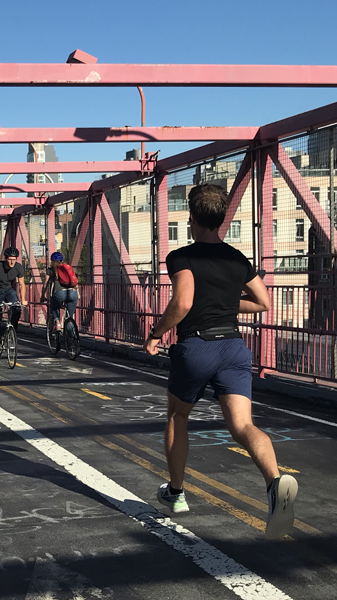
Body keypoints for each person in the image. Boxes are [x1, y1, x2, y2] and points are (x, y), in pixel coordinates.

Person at [143, 184, 297, 539]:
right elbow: (262, 302)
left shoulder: (182, 257)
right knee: (243, 426)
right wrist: (227, 302)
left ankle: (177, 493)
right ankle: (275, 483)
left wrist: (155, 334)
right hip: (233, 347)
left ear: (191, 218)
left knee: (178, 414)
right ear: (223, 218)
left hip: (197, 347)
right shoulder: (236, 258)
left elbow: (182, 303)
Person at [0, 246, 27, 359]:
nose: (12, 262)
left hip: (8, 291)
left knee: (17, 309)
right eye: (9, 259)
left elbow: (22, 284)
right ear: (6, 259)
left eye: (14, 259)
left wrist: (23, 298)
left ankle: (11, 331)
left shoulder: (18, 267)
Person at [41, 251, 78, 331]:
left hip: (59, 293)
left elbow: (45, 284)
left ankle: (58, 323)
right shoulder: (67, 268)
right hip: (73, 292)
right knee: (69, 316)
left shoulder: (50, 270)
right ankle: (71, 339)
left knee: (54, 307)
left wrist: (42, 295)